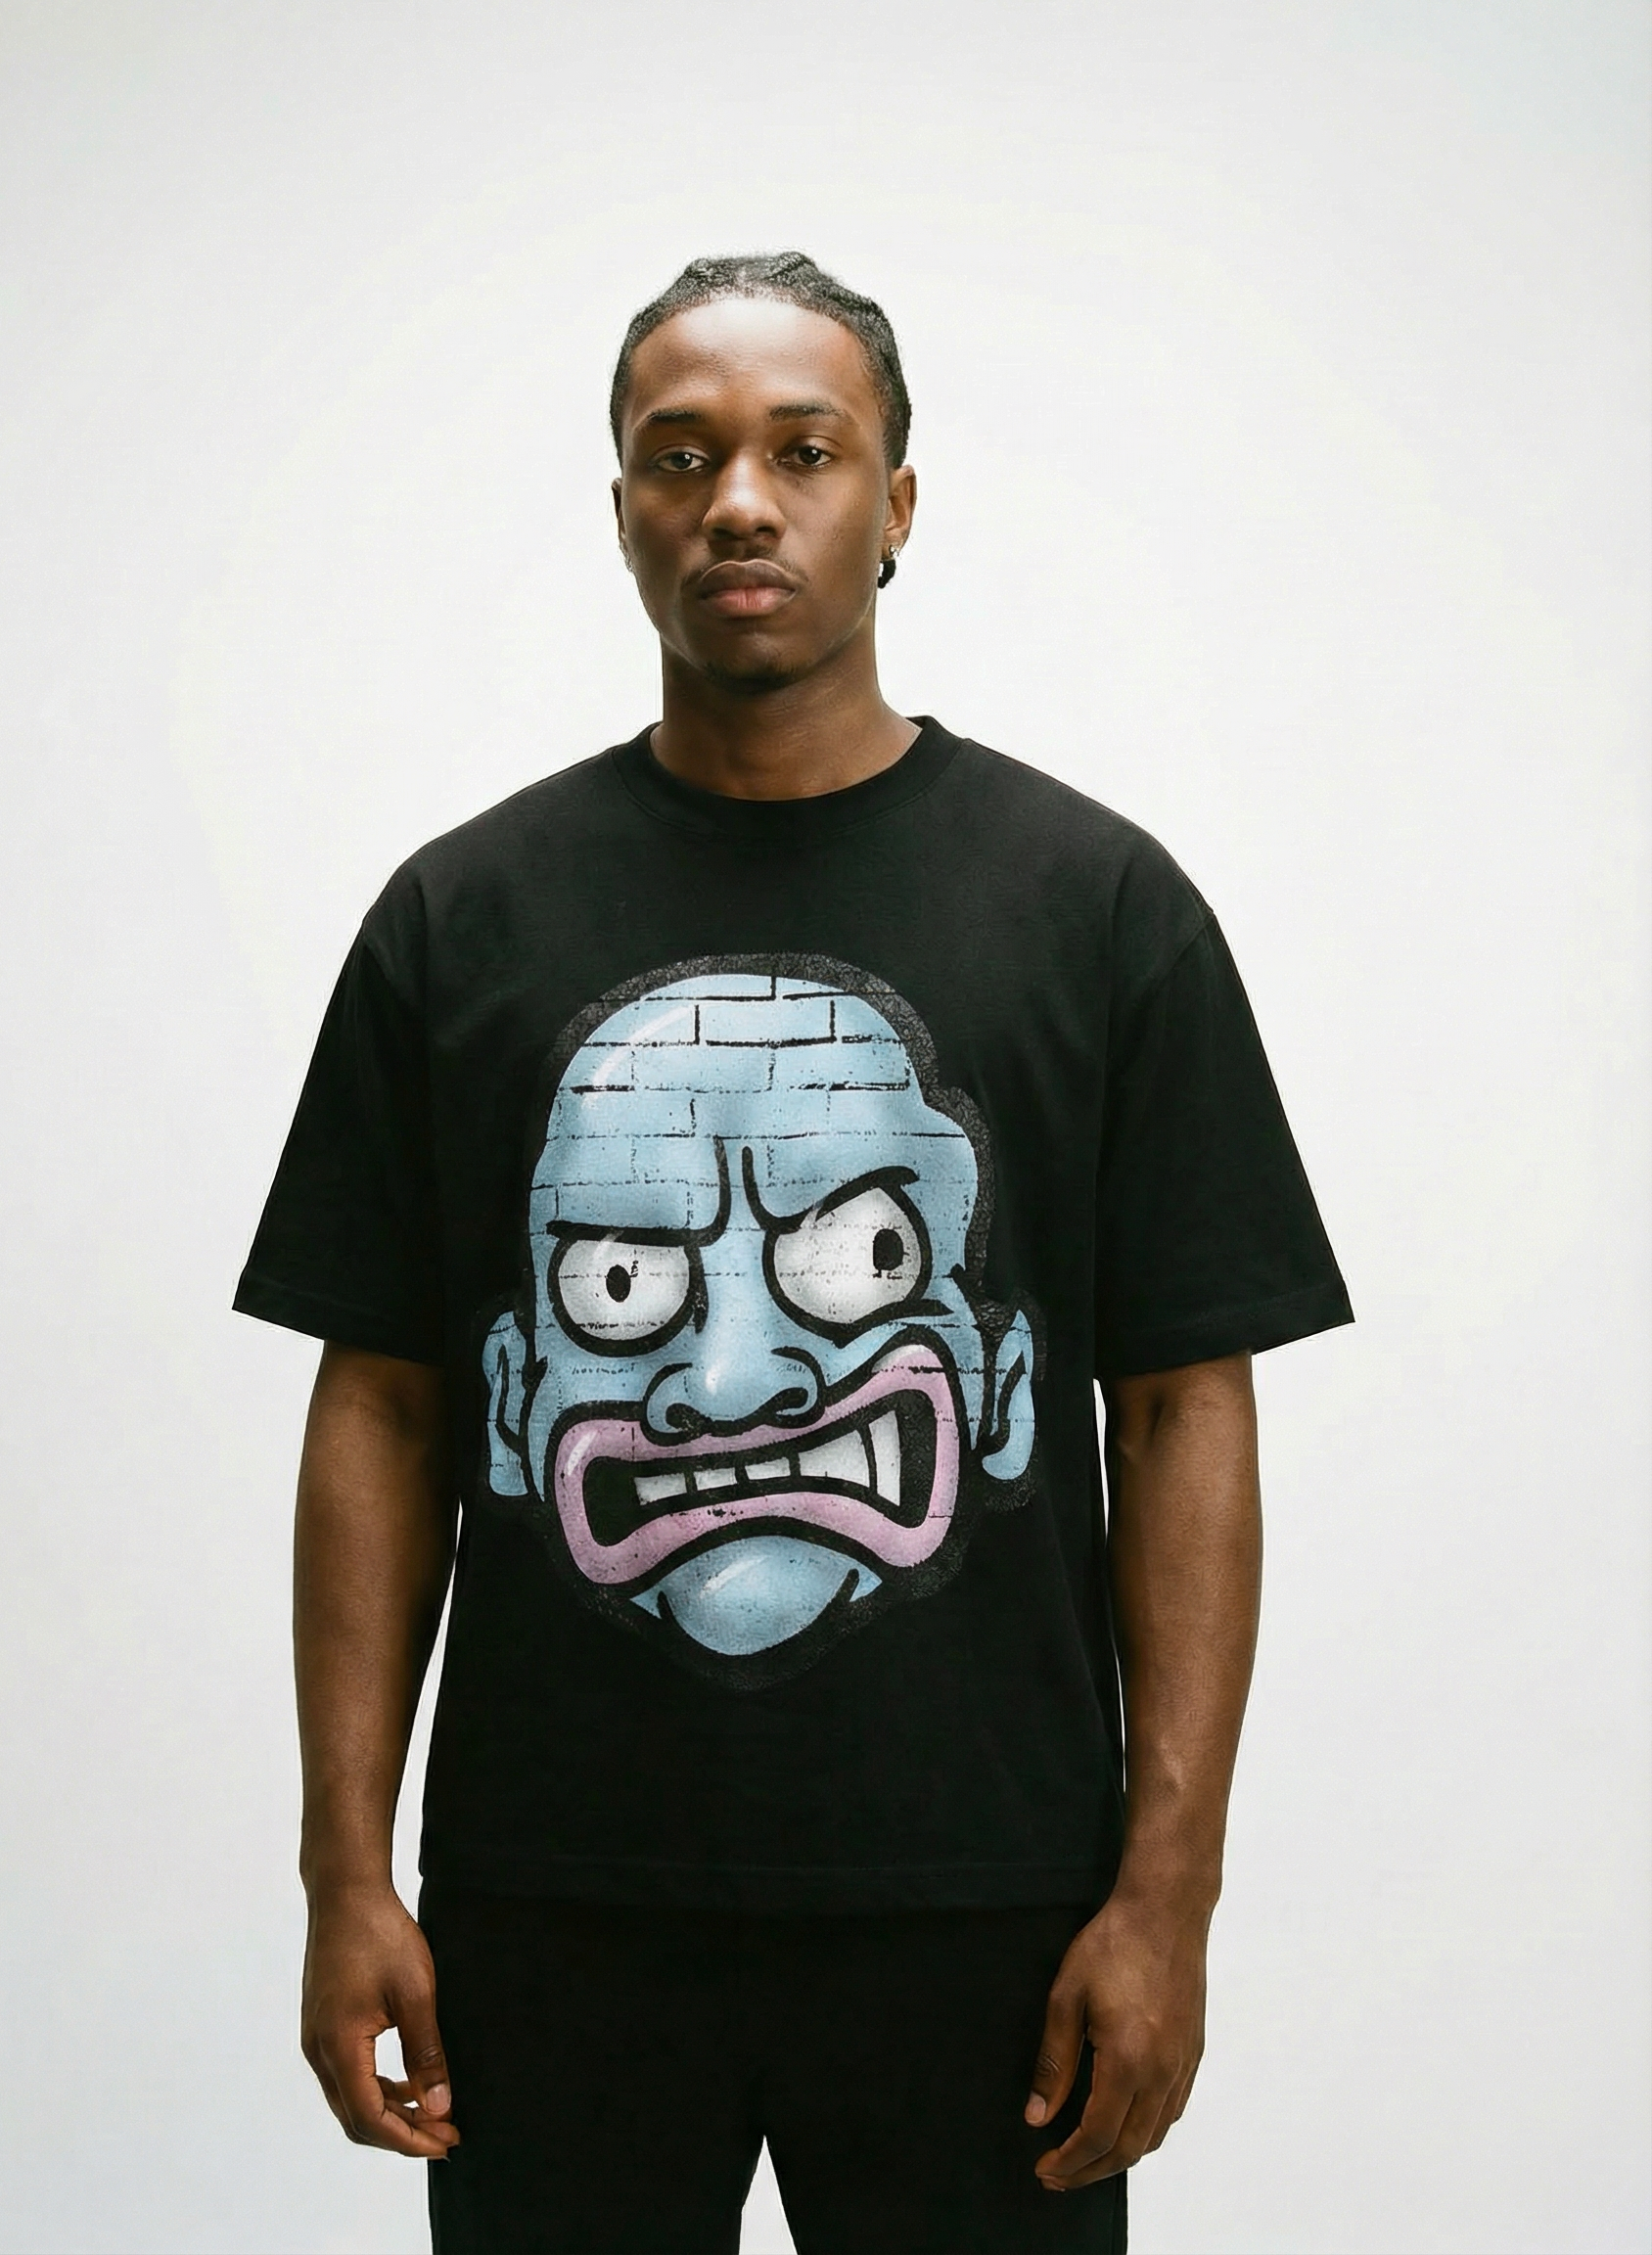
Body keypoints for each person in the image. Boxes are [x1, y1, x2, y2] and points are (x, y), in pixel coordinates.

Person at [235, 251, 1353, 2255]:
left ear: (895, 502)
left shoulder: (1101, 913)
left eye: (802, 451)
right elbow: (382, 1406)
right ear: (622, 513)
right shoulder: (457, 924)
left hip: (990, 1916)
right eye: (680, 456)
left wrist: (1166, 1893)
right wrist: (345, 1872)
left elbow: (1188, 1402)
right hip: (549, 1915)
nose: (737, 500)